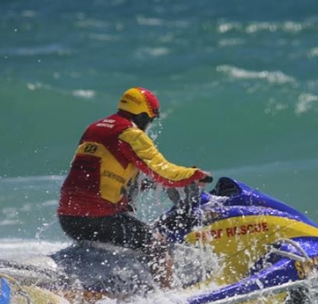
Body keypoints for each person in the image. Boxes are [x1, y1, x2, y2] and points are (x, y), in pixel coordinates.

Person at [57, 87, 211, 289]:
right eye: (150, 119)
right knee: (157, 244)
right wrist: (194, 174)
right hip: (97, 219)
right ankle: (168, 300)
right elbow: (163, 171)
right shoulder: (130, 134)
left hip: (68, 219)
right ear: (142, 115)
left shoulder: (93, 129)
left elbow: (103, 175)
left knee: (128, 236)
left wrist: (146, 184)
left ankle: (115, 288)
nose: (148, 125)